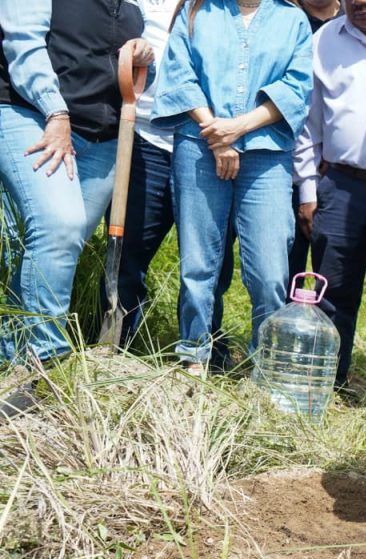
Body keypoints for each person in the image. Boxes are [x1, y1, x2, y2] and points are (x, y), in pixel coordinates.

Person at [0, 0, 152, 392]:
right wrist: (56, 113)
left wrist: (143, 53)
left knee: (58, 247)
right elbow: (23, 44)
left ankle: (10, 354)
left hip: (102, 137)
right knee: (59, 226)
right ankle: (43, 362)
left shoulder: (134, 5)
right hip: (33, 114)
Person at [153, 0, 312, 372]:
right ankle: (194, 356)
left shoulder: (292, 19)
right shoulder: (198, 11)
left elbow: (297, 87)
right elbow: (179, 74)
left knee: (270, 270)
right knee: (198, 262)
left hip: (267, 153)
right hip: (199, 144)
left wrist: (238, 127)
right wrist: (218, 135)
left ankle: (266, 366)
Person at [106, 0, 234, 356]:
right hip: (144, 140)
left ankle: (203, 350)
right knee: (128, 251)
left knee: (210, 261)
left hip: (206, 145)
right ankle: (120, 346)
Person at [293, 0, 366, 390]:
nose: (360, 2)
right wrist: (307, 188)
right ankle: (325, 382)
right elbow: (308, 122)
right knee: (331, 289)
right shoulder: (325, 41)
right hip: (340, 182)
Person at [287, 0, 341, 282]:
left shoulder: (360, 19)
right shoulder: (282, 16)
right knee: (283, 269)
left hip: (338, 175)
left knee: (332, 278)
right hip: (283, 165)